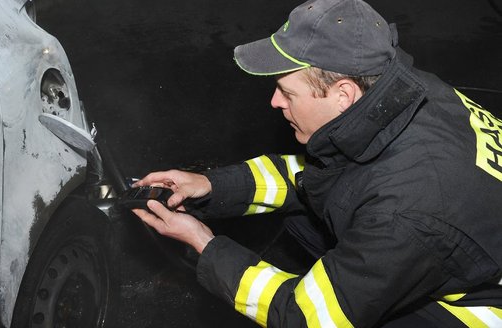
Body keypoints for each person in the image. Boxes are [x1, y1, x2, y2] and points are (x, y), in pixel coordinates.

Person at [132, 0, 502, 326]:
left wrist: (205, 244)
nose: (275, 103)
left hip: (483, 306)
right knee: (304, 214)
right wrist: (210, 185)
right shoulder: (399, 92)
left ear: (343, 94)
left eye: (287, 92)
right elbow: (318, 174)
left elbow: (304, 317)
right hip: (450, 225)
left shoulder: (405, 214)